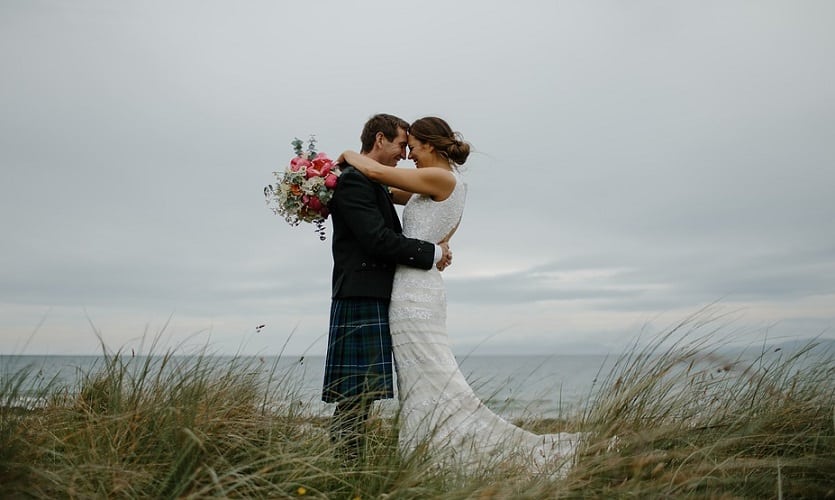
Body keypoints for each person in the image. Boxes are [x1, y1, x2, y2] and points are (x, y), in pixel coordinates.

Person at [337, 116, 583, 476]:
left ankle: (441, 453)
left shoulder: (440, 178)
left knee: (431, 374)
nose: (409, 156)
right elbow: (385, 192)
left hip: (415, 294)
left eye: (415, 148)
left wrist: (345, 154)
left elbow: (375, 175)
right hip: (417, 287)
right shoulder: (432, 184)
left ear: (431, 147)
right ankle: (427, 449)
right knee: (424, 375)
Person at [323, 113, 452, 462]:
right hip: (361, 293)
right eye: (400, 144)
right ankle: (346, 467)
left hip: (376, 292)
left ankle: (350, 464)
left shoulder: (370, 180)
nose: (404, 154)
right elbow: (378, 240)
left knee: (362, 395)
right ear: (380, 140)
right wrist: (433, 252)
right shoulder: (353, 182)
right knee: (355, 396)